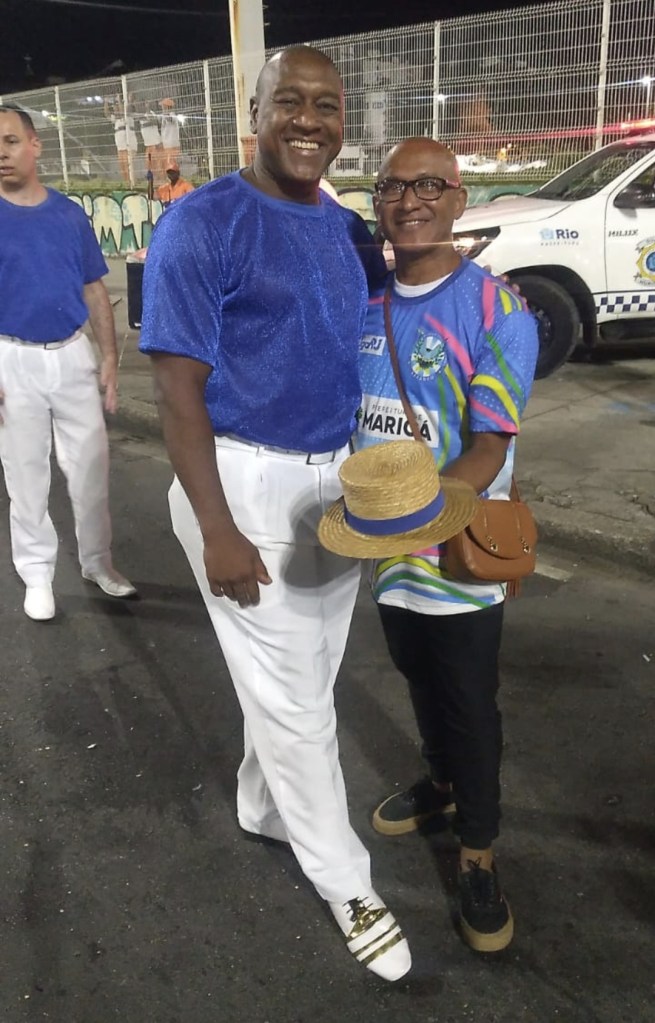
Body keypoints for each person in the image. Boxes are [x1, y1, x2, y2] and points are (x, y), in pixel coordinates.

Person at [139, 46, 410, 982]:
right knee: (297, 703)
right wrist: (215, 527)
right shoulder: (202, 222)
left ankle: (262, 804)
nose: (308, 119)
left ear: (342, 122)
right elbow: (175, 391)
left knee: (306, 681)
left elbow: (378, 327)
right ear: (253, 113)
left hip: (333, 482)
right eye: (287, 101)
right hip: (242, 484)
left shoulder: (343, 227)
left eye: (325, 105)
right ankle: (348, 883)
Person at [354, 138, 538, 953]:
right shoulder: (366, 304)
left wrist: (418, 513)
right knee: (414, 671)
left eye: (429, 184)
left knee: (468, 702)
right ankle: (437, 782)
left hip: (456, 547)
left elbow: (489, 443)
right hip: (384, 543)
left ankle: (477, 853)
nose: (409, 201)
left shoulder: (497, 310)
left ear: (460, 201)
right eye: (392, 187)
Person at [0, 106, 137, 621]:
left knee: (91, 470)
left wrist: (109, 358)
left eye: (11, 141)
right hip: (11, 358)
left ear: (35, 145)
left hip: (72, 354)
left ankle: (98, 562)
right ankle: (37, 574)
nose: (1, 153)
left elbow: (94, 288)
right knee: (25, 475)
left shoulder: (68, 214)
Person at [104, 95, 138, 185]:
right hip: (120, 147)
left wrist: (119, 100)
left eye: (116, 106)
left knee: (128, 166)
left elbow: (122, 112)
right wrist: (106, 102)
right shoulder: (116, 120)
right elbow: (106, 114)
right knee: (123, 167)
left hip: (128, 146)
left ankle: (133, 183)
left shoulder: (127, 117)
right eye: (114, 106)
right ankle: (127, 183)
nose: (114, 108)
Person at [158, 98, 180, 164]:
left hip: (172, 144)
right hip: (167, 144)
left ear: (166, 106)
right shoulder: (164, 116)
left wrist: (165, 113)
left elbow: (170, 119)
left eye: (163, 106)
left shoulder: (172, 115)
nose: (162, 108)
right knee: (168, 163)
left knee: (171, 163)